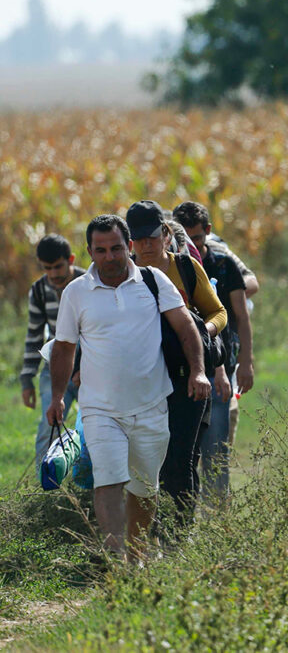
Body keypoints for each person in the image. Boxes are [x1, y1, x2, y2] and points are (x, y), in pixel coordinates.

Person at [48, 214, 209, 560]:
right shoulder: (76, 293)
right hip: (100, 409)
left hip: (151, 405)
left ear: (129, 246)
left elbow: (185, 328)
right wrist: (58, 397)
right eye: (100, 250)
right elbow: (63, 347)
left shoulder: (154, 282)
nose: (109, 257)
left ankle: (135, 555)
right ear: (90, 251)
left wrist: (198, 371)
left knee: (145, 488)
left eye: (116, 248)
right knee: (108, 480)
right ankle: (114, 557)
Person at [127, 200, 227, 526]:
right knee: (146, 460)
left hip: (188, 376)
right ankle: (150, 531)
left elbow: (218, 312)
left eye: (152, 237)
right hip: (142, 381)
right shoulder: (120, 274)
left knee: (181, 458)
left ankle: (179, 535)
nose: (146, 245)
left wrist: (202, 331)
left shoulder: (184, 267)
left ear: (166, 233)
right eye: (138, 239)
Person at [173, 201, 255, 502]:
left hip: (221, 365)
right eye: (185, 238)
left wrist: (245, 362)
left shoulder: (223, 264)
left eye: (196, 238)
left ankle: (216, 526)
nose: (191, 245)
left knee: (216, 452)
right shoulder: (172, 266)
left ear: (207, 232)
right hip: (182, 369)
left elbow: (240, 316)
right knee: (184, 453)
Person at [20, 234, 85, 464]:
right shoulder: (38, 290)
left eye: (58, 267)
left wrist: (82, 368)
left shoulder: (87, 283)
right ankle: (46, 486)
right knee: (49, 427)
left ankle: (93, 484)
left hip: (88, 365)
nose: (54, 274)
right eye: (48, 268)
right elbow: (34, 336)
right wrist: (27, 378)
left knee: (94, 425)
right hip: (54, 365)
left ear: (71, 259)